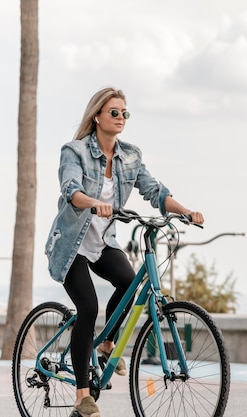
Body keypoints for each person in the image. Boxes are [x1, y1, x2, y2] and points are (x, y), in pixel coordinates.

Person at [44, 87, 204, 417]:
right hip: (71, 246)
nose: (120, 118)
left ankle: (105, 346)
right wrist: (94, 204)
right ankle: (82, 395)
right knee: (88, 306)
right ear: (97, 116)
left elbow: (155, 192)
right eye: (114, 112)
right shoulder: (73, 151)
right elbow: (71, 190)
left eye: (124, 114)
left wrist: (186, 212)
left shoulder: (130, 156)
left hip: (103, 243)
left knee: (130, 284)